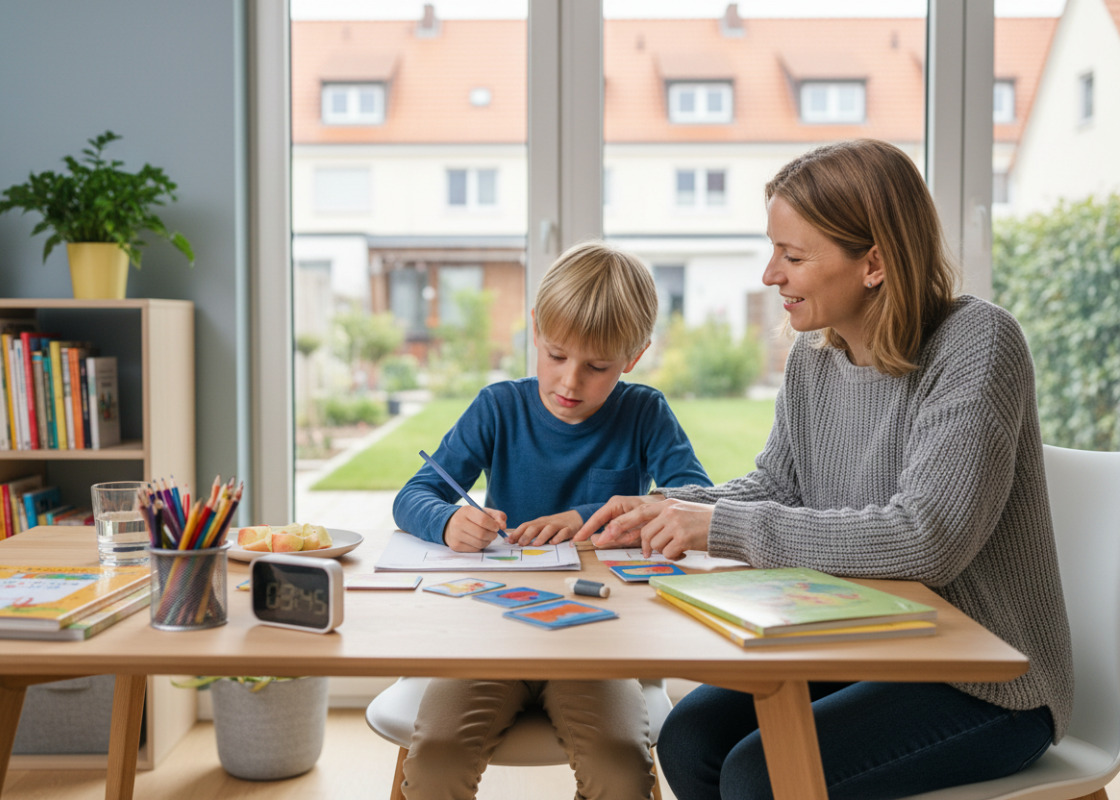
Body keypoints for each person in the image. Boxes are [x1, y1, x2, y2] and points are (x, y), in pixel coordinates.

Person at [574, 139, 1072, 800]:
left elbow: (928, 540)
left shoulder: (976, 342)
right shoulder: (815, 357)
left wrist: (717, 526)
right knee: (689, 738)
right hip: (867, 644)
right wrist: (665, 508)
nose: (769, 275)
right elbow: (780, 487)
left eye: (793, 255)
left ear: (875, 263)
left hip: (989, 679)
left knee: (759, 777)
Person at [393, 240, 710, 800]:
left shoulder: (645, 413)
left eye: (596, 367)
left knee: (620, 772)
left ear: (633, 357)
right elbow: (414, 494)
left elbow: (695, 498)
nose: (569, 382)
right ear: (536, 330)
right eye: (557, 355)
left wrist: (586, 515)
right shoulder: (498, 408)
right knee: (436, 764)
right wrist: (447, 523)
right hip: (492, 632)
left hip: (598, 639)